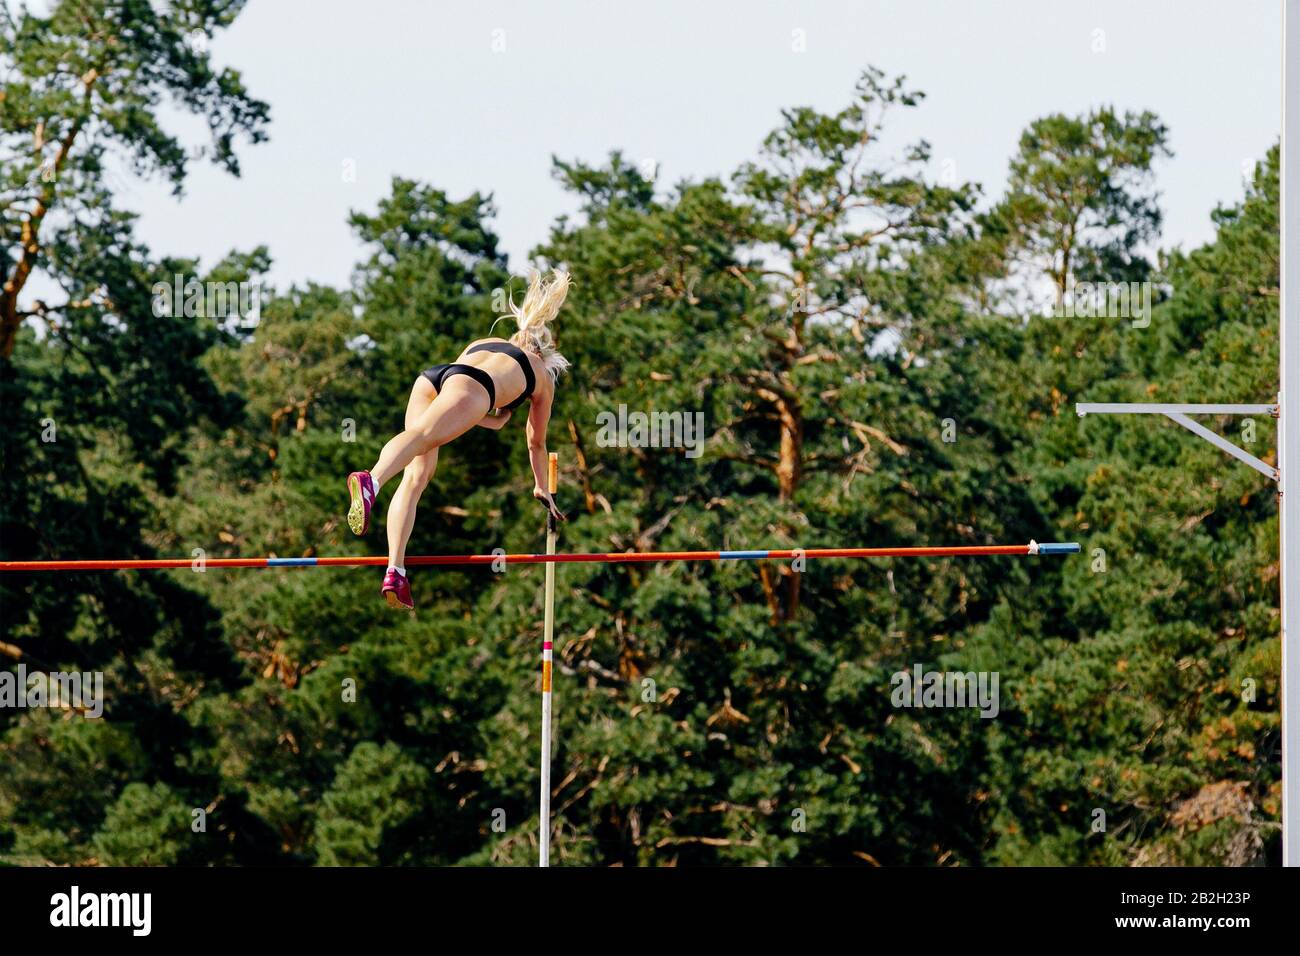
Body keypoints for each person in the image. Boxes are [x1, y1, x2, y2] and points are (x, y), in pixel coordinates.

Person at [346, 270, 570, 608]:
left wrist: (488, 419)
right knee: (420, 441)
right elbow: (535, 442)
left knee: (416, 473)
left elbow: (458, 390)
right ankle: (372, 481)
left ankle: (396, 570)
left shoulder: (483, 344)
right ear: (544, 354)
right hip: (472, 388)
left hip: (434, 377)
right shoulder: (540, 375)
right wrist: (541, 486)